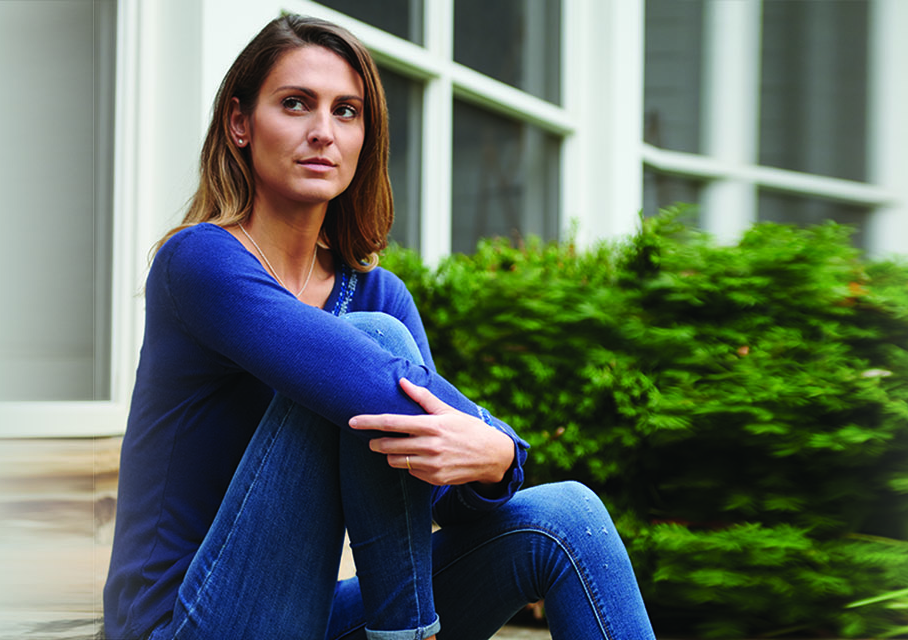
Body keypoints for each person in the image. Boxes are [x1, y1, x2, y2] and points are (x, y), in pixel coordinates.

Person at [100, 14, 657, 640]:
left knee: (569, 517)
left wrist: (495, 466)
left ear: (366, 136)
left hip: (305, 616)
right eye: (295, 104)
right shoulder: (199, 262)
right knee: (374, 344)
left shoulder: (376, 291)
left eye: (346, 112)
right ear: (239, 123)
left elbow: (439, 489)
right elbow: (365, 380)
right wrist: (503, 442)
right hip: (185, 623)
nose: (322, 132)